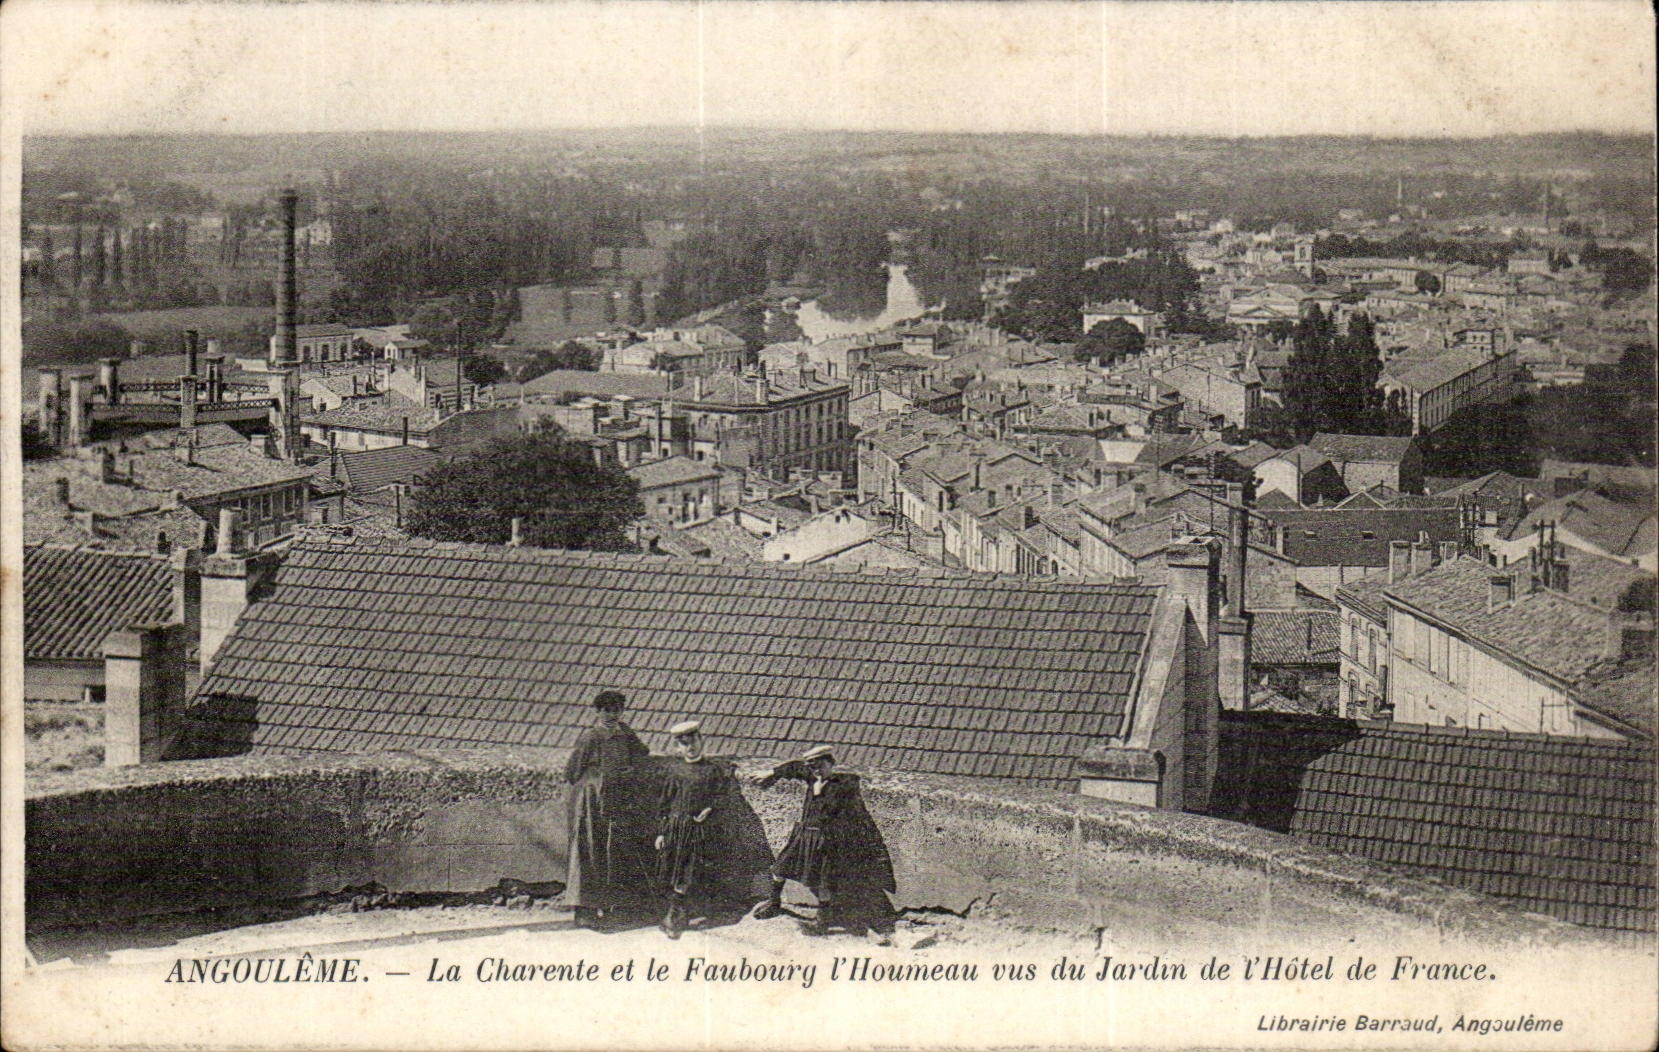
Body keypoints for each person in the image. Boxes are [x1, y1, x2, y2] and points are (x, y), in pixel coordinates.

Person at [751, 745, 895, 936]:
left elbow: (855, 814)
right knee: (780, 868)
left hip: (826, 840)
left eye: (821, 765)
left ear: (831, 763)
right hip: (804, 835)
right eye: (813, 767)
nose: (817, 770)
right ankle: (774, 902)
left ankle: (822, 922)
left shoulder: (844, 785)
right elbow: (794, 767)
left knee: (823, 881)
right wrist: (772, 773)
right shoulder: (811, 777)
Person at [563, 689, 650, 929]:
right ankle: (585, 910)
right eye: (606, 710)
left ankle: (615, 906)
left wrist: (629, 773)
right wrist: (595, 781)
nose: (612, 715)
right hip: (593, 802)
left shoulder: (626, 734)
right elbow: (572, 771)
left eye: (617, 710)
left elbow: (642, 755)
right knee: (589, 849)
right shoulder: (590, 738)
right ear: (598, 711)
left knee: (616, 851)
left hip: (618, 799)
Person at [652, 720, 727, 939]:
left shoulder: (712, 771)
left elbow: (721, 797)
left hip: (697, 830)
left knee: (689, 869)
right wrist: (661, 832)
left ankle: (674, 915)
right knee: (671, 869)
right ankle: (676, 912)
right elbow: (664, 803)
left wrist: (709, 809)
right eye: (684, 744)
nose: (690, 747)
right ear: (678, 747)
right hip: (675, 828)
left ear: (701, 740)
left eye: (693, 741)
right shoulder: (675, 771)